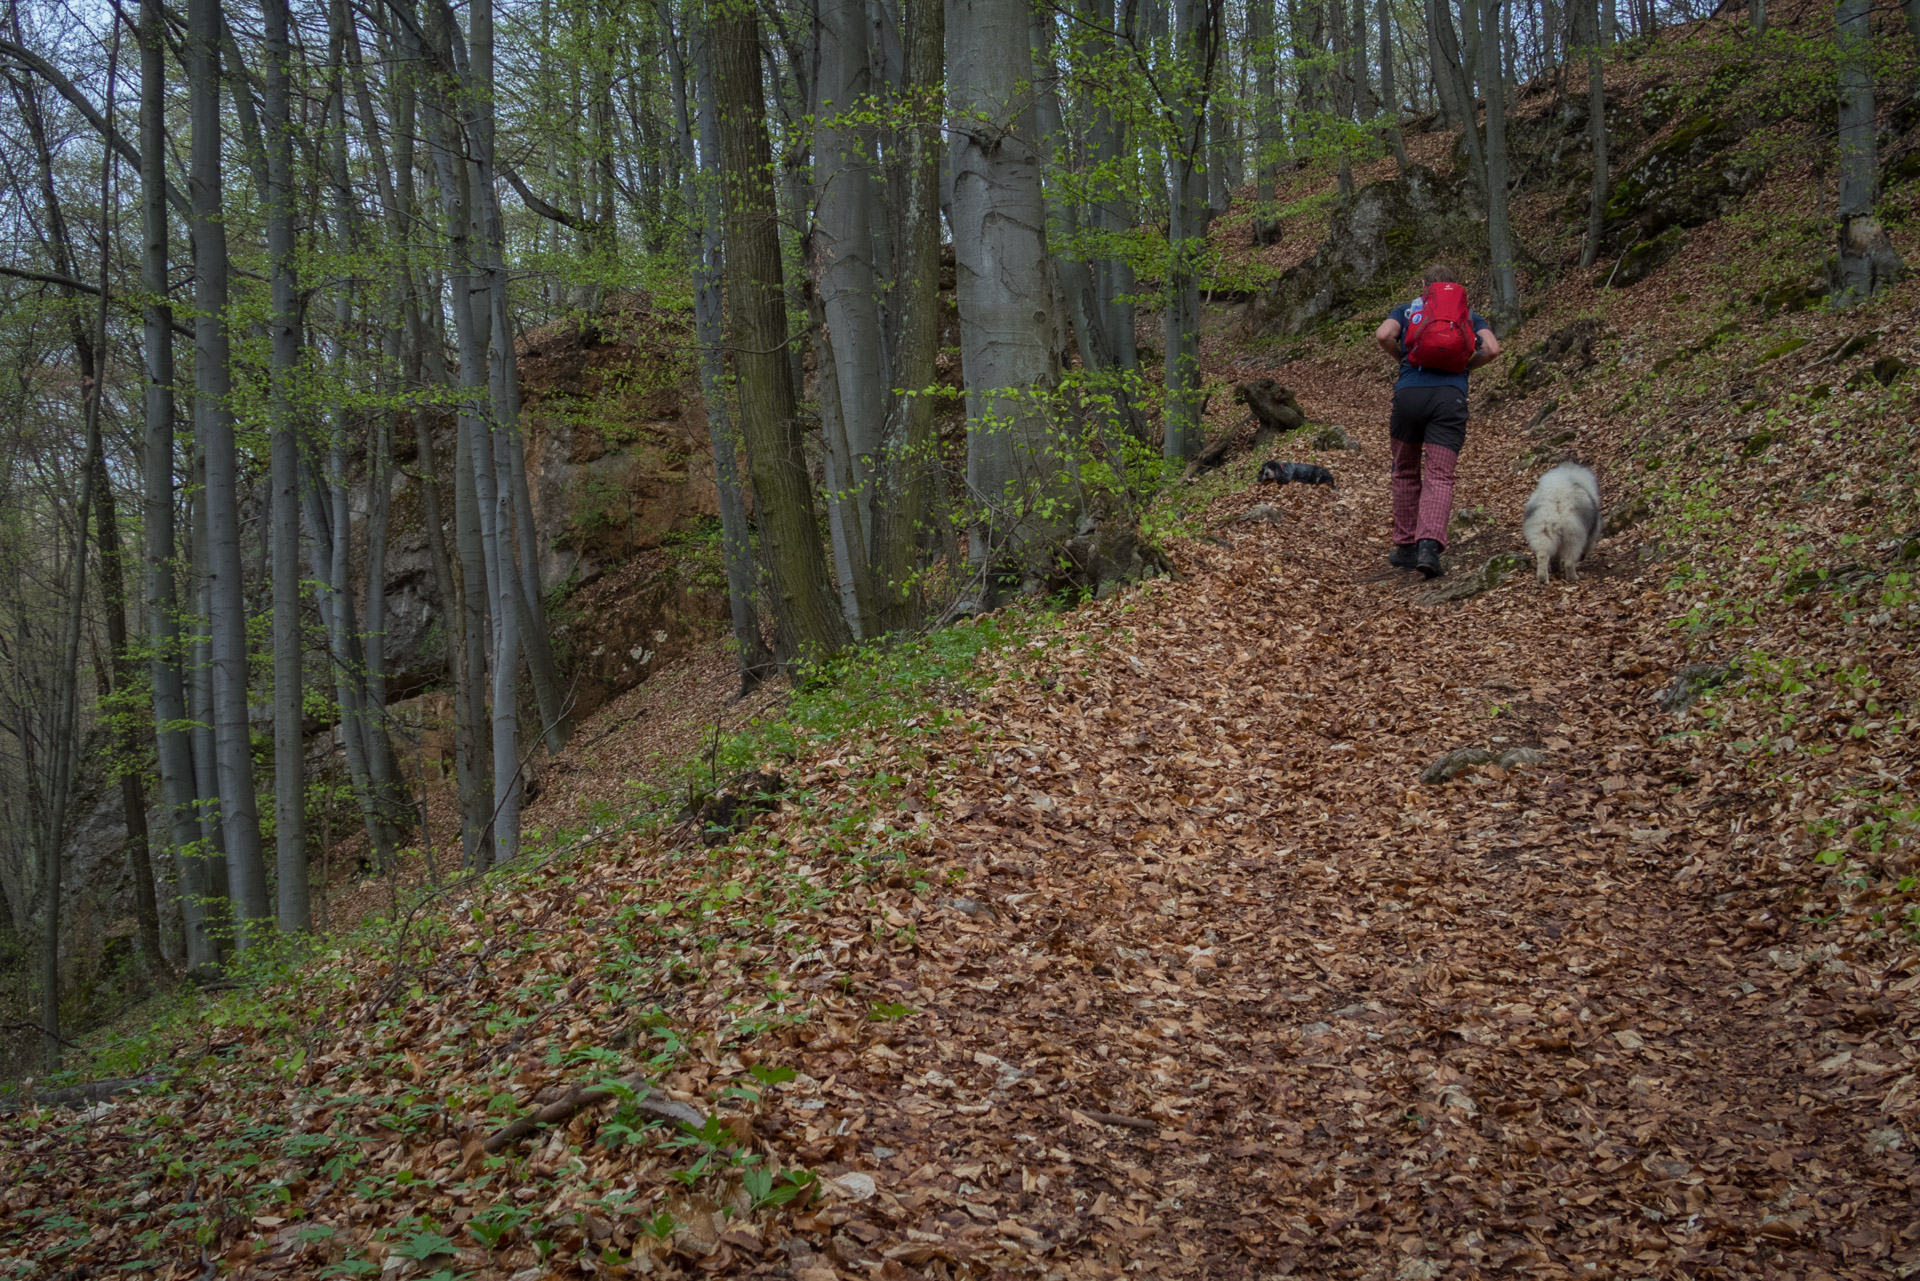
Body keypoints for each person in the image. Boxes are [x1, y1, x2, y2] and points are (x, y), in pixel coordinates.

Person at [1373, 265, 1501, 578]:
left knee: (1404, 470)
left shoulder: (1407, 310)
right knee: (1439, 475)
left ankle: (1405, 548)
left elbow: (1383, 334)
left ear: (1423, 286)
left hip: (1408, 396)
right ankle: (1429, 546)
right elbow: (1493, 349)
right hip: (1450, 397)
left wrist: (1403, 360)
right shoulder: (1469, 315)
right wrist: (1466, 368)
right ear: (1456, 287)